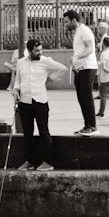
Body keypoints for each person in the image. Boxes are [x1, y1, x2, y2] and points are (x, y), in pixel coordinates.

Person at [11, 39, 68, 171]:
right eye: (37, 50)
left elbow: (63, 69)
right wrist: (15, 90)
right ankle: (29, 160)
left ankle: (48, 162)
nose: (40, 52)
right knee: (27, 133)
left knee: (44, 131)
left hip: (40, 101)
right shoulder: (21, 63)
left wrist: (49, 79)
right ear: (29, 51)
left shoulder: (45, 61)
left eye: (41, 50)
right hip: (24, 101)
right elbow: (18, 81)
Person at [63, 9, 99, 136]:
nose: (65, 24)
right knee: (82, 98)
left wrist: (76, 58)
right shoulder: (78, 32)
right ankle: (87, 125)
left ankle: (92, 126)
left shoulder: (84, 31)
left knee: (86, 97)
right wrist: (75, 62)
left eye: (67, 21)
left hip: (88, 68)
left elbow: (90, 49)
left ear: (74, 20)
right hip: (80, 69)